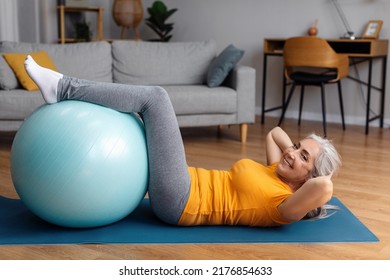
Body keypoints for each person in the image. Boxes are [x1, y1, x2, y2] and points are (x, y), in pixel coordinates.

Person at [24, 55, 341, 227]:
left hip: (181, 202)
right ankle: (66, 90)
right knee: (139, 116)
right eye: (297, 147)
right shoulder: (276, 172)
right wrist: (302, 152)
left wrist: (319, 168)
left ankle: (64, 87)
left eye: (303, 158)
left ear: (308, 179)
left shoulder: (284, 207)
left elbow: (323, 188)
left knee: (154, 99)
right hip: (183, 184)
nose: (292, 153)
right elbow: (275, 133)